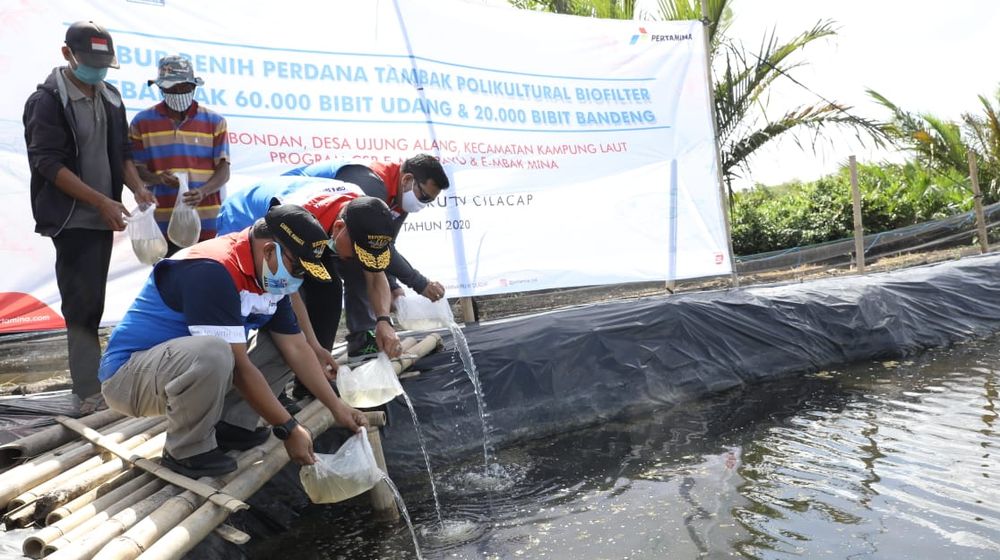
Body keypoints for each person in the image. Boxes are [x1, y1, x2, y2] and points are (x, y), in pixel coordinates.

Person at [98, 203, 373, 478]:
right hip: (130, 377)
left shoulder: (267, 279)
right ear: (269, 250)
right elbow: (239, 368)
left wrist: (338, 408)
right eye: (298, 269)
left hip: (180, 372)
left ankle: (232, 423)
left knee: (283, 347)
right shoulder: (212, 269)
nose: (298, 279)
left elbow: (296, 348)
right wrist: (288, 428)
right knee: (214, 351)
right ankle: (185, 450)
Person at [23, 21, 155, 415]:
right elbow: (48, 163)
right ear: (67, 55)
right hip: (72, 218)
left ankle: (96, 379)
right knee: (80, 305)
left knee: (93, 301)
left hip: (102, 214)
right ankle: (87, 390)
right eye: (89, 63)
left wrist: (136, 188)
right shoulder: (47, 101)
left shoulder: (111, 97)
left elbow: (122, 154)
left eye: (103, 65)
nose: (96, 72)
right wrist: (99, 201)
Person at [217, 178, 403, 369]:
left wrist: (383, 320)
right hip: (243, 215)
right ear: (339, 228)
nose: (359, 260)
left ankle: (315, 370)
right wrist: (310, 346)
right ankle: (272, 377)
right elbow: (287, 290)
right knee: (269, 309)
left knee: (329, 289)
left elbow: (374, 273)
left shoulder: (368, 215)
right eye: (358, 253)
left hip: (313, 230)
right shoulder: (298, 220)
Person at [283, 155, 450, 359]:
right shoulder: (369, 185)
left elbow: (382, 247)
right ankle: (342, 347)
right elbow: (375, 245)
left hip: (321, 228)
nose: (423, 205)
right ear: (407, 180)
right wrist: (420, 283)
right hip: (290, 222)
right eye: (424, 197)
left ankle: (355, 342)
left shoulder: (399, 196)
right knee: (336, 278)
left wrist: (394, 287)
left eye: (430, 201)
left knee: (352, 270)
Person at [130, 55, 230, 255]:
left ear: (193, 87)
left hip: (207, 223)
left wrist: (203, 191)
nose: (178, 93)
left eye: (184, 88)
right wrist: (157, 178)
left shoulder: (214, 121)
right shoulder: (142, 122)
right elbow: (136, 169)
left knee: (206, 279)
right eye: (171, 88)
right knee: (169, 280)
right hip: (163, 225)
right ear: (160, 89)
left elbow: (224, 169)